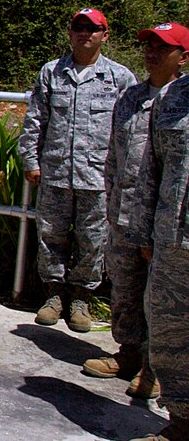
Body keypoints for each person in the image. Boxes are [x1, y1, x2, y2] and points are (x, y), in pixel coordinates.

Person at [83, 23, 189, 398]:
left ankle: (155, 369)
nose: (152, 53)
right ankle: (128, 354)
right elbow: (115, 156)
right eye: (149, 46)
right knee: (125, 289)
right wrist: (111, 201)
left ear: (183, 56)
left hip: (168, 223)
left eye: (163, 48)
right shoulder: (130, 97)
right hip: (126, 212)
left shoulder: (179, 99)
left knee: (158, 301)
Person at [17, 7, 137, 333]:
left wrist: (124, 176)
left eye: (92, 28)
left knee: (93, 240)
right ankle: (53, 296)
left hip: (97, 178)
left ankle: (81, 299)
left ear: (105, 35)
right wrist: (31, 159)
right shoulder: (51, 73)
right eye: (79, 28)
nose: (85, 33)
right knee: (49, 236)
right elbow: (36, 120)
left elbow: (129, 131)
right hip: (55, 172)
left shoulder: (121, 78)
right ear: (70, 33)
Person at [130, 36, 189, 441]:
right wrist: (144, 229)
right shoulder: (172, 98)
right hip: (172, 238)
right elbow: (151, 169)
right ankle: (180, 424)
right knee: (169, 333)